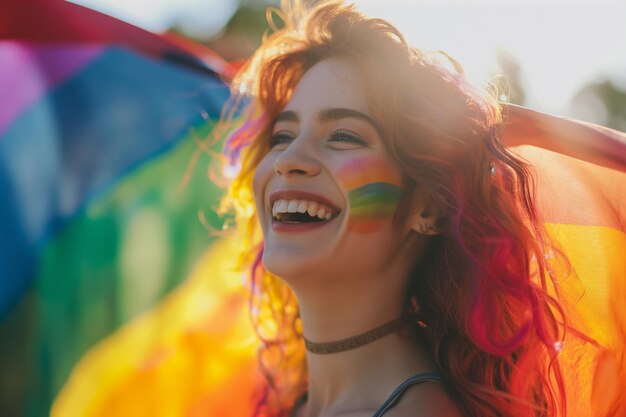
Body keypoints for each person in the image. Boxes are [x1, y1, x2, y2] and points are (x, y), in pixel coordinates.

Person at [220, 1, 571, 416]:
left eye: (344, 136)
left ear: (431, 207)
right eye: (282, 136)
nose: (287, 159)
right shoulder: (294, 402)